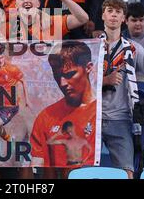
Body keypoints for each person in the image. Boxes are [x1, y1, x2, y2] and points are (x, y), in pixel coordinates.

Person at [100, 0, 144, 179]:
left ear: (123, 18)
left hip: (121, 118)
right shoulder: (92, 47)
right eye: (110, 11)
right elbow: (78, 83)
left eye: (118, 12)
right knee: (81, 172)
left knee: (127, 173)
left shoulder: (134, 48)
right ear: (103, 15)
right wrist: (104, 81)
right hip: (91, 118)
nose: (114, 15)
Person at [30, 41, 97, 178]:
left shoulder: (102, 114)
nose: (62, 83)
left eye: (69, 74)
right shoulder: (45, 117)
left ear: (88, 68)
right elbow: (37, 166)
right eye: (57, 76)